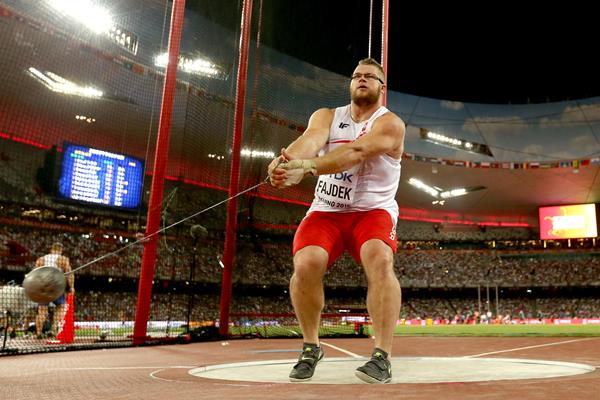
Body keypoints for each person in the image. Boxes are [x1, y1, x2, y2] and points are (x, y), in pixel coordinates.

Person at [268, 57, 405, 384]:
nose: (362, 79)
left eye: (370, 77)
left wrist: (309, 168)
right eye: (357, 75)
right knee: (306, 263)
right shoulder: (327, 116)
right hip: (327, 209)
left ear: (381, 88)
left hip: (373, 210)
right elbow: (311, 141)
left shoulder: (391, 125)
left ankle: (382, 356)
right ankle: (311, 347)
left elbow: (357, 152)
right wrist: (287, 161)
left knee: (379, 258)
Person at [34, 242, 74, 339]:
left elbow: (35, 274)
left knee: (42, 311)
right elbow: (69, 274)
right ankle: (53, 329)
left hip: (43, 286)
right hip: (56, 286)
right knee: (61, 307)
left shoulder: (41, 259)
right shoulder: (62, 259)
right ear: (61, 250)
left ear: (51, 249)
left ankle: (38, 333)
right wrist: (71, 287)